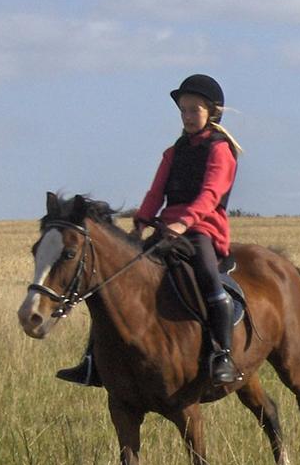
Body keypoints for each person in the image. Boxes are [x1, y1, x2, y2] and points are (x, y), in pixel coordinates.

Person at [57, 74, 243, 386]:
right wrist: (142, 221)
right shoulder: (174, 151)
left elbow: (210, 196)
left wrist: (184, 223)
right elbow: (156, 192)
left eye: (193, 110)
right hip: (166, 229)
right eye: (183, 110)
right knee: (115, 281)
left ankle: (222, 354)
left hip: (203, 230)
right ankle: (93, 361)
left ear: (211, 113)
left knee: (209, 281)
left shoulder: (220, 150)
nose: (186, 116)